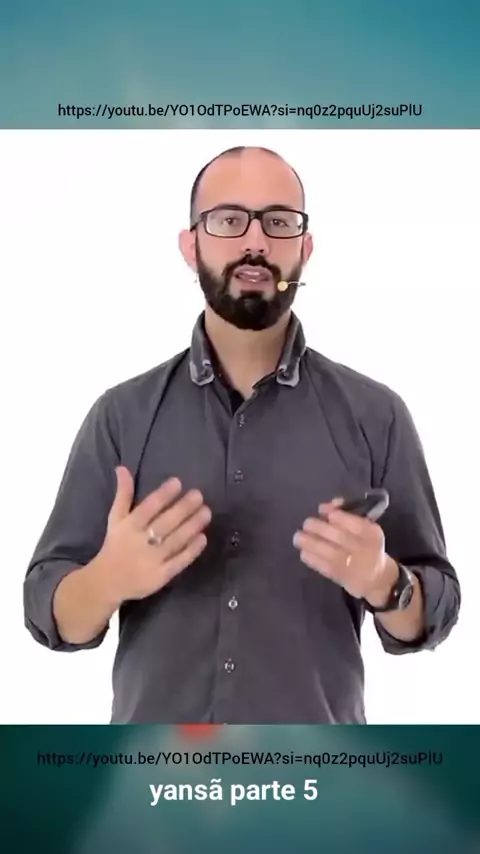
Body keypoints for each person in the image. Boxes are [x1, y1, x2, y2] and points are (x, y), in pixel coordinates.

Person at [23, 145, 461, 725]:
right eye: (229, 220)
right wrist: (107, 580)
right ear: (191, 246)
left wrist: (384, 581)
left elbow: (435, 612)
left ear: (305, 249)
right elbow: (48, 612)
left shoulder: (376, 416)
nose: (255, 242)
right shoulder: (121, 417)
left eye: (279, 222)